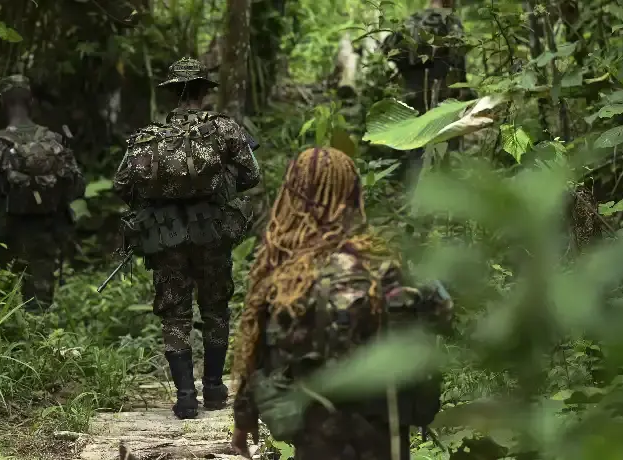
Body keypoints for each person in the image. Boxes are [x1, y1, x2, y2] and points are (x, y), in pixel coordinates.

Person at [230, 147, 453, 459]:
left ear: (293, 193)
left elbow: (258, 352)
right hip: (383, 428)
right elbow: (439, 317)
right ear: (353, 193)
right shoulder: (381, 261)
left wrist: (244, 418)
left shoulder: (286, 269)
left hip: (317, 429)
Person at [113, 57, 261, 419]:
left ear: (172, 94)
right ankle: (213, 387)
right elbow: (251, 175)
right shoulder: (226, 130)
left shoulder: (148, 136)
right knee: (215, 308)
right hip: (212, 232)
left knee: (175, 313)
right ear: (202, 92)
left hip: (167, 237)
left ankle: (184, 396)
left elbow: (122, 185)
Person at [0, 74, 85, 312]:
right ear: (31, 102)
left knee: (5, 290)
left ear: (3, 103)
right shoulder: (55, 140)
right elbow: (77, 186)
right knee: (41, 289)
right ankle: (41, 333)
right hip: (48, 228)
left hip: (8, 231)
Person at [382, 0, 469, 188]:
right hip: (442, 92)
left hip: (412, 92)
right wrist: (464, 89)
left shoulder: (412, 20)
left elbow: (387, 49)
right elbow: (458, 56)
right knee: (445, 147)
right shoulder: (450, 20)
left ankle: (412, 192)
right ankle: (440, 196)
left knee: (416, 145)